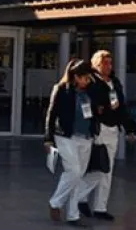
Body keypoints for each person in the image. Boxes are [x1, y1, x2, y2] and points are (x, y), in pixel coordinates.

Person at [77, 50, 136, 221]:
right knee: (98, 166)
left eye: (110, 63)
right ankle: (80, 198)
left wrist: (130, 128)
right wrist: (97, 110)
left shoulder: (115, 82)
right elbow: (85, 102)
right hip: (99, 128)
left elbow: (122, 106)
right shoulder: (91, 81)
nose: (108, 66)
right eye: (105, 63)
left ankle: (100, 207)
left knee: (107, 169)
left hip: (113, 128)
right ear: (96, 64)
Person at [45, 59, 105, 226]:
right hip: (66, 136)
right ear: (75, 76)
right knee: (74, 171)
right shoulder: (62, 90)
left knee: (78, 177)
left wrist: (95, 75)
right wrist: (48, 138)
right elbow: (51, 114)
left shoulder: (91, 90)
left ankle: (73, 215)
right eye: (84, 78)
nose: (87, 81)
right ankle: (55, 202)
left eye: (88, 78)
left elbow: (103, 91)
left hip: (86, 137)